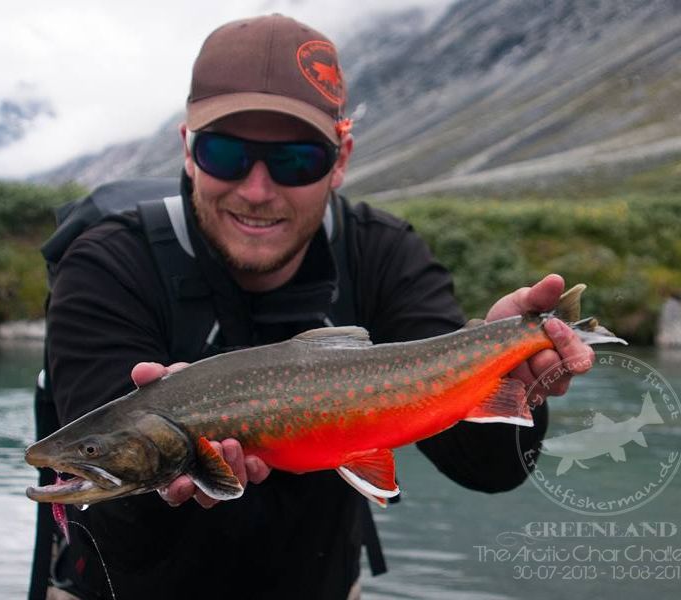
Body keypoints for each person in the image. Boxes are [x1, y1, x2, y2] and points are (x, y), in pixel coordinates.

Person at [43, 14, 593, 600]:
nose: (257, 190)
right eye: (226, 154)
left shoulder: (384, 255)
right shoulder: (106, 264)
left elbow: (487, 469)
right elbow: (102, 508)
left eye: (296, 160)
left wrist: (509, 367)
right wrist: (178, 459)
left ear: (340, 159)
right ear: (187, 150)